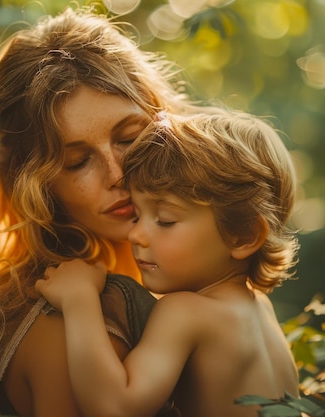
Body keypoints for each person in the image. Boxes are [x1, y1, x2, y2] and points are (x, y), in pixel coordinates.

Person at [0, 6, 200, 417]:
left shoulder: (174, 280)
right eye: (77, 161)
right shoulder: (66, 329)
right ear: (37, 187)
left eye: (129, 138)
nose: (117, 174)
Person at [36, 110, 301, 417]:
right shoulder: (260, 309)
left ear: (243, 235)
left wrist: (79, 300)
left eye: (165, 220)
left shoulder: (185, 312)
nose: (135, 234)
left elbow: (115, 408)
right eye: (137, 214)